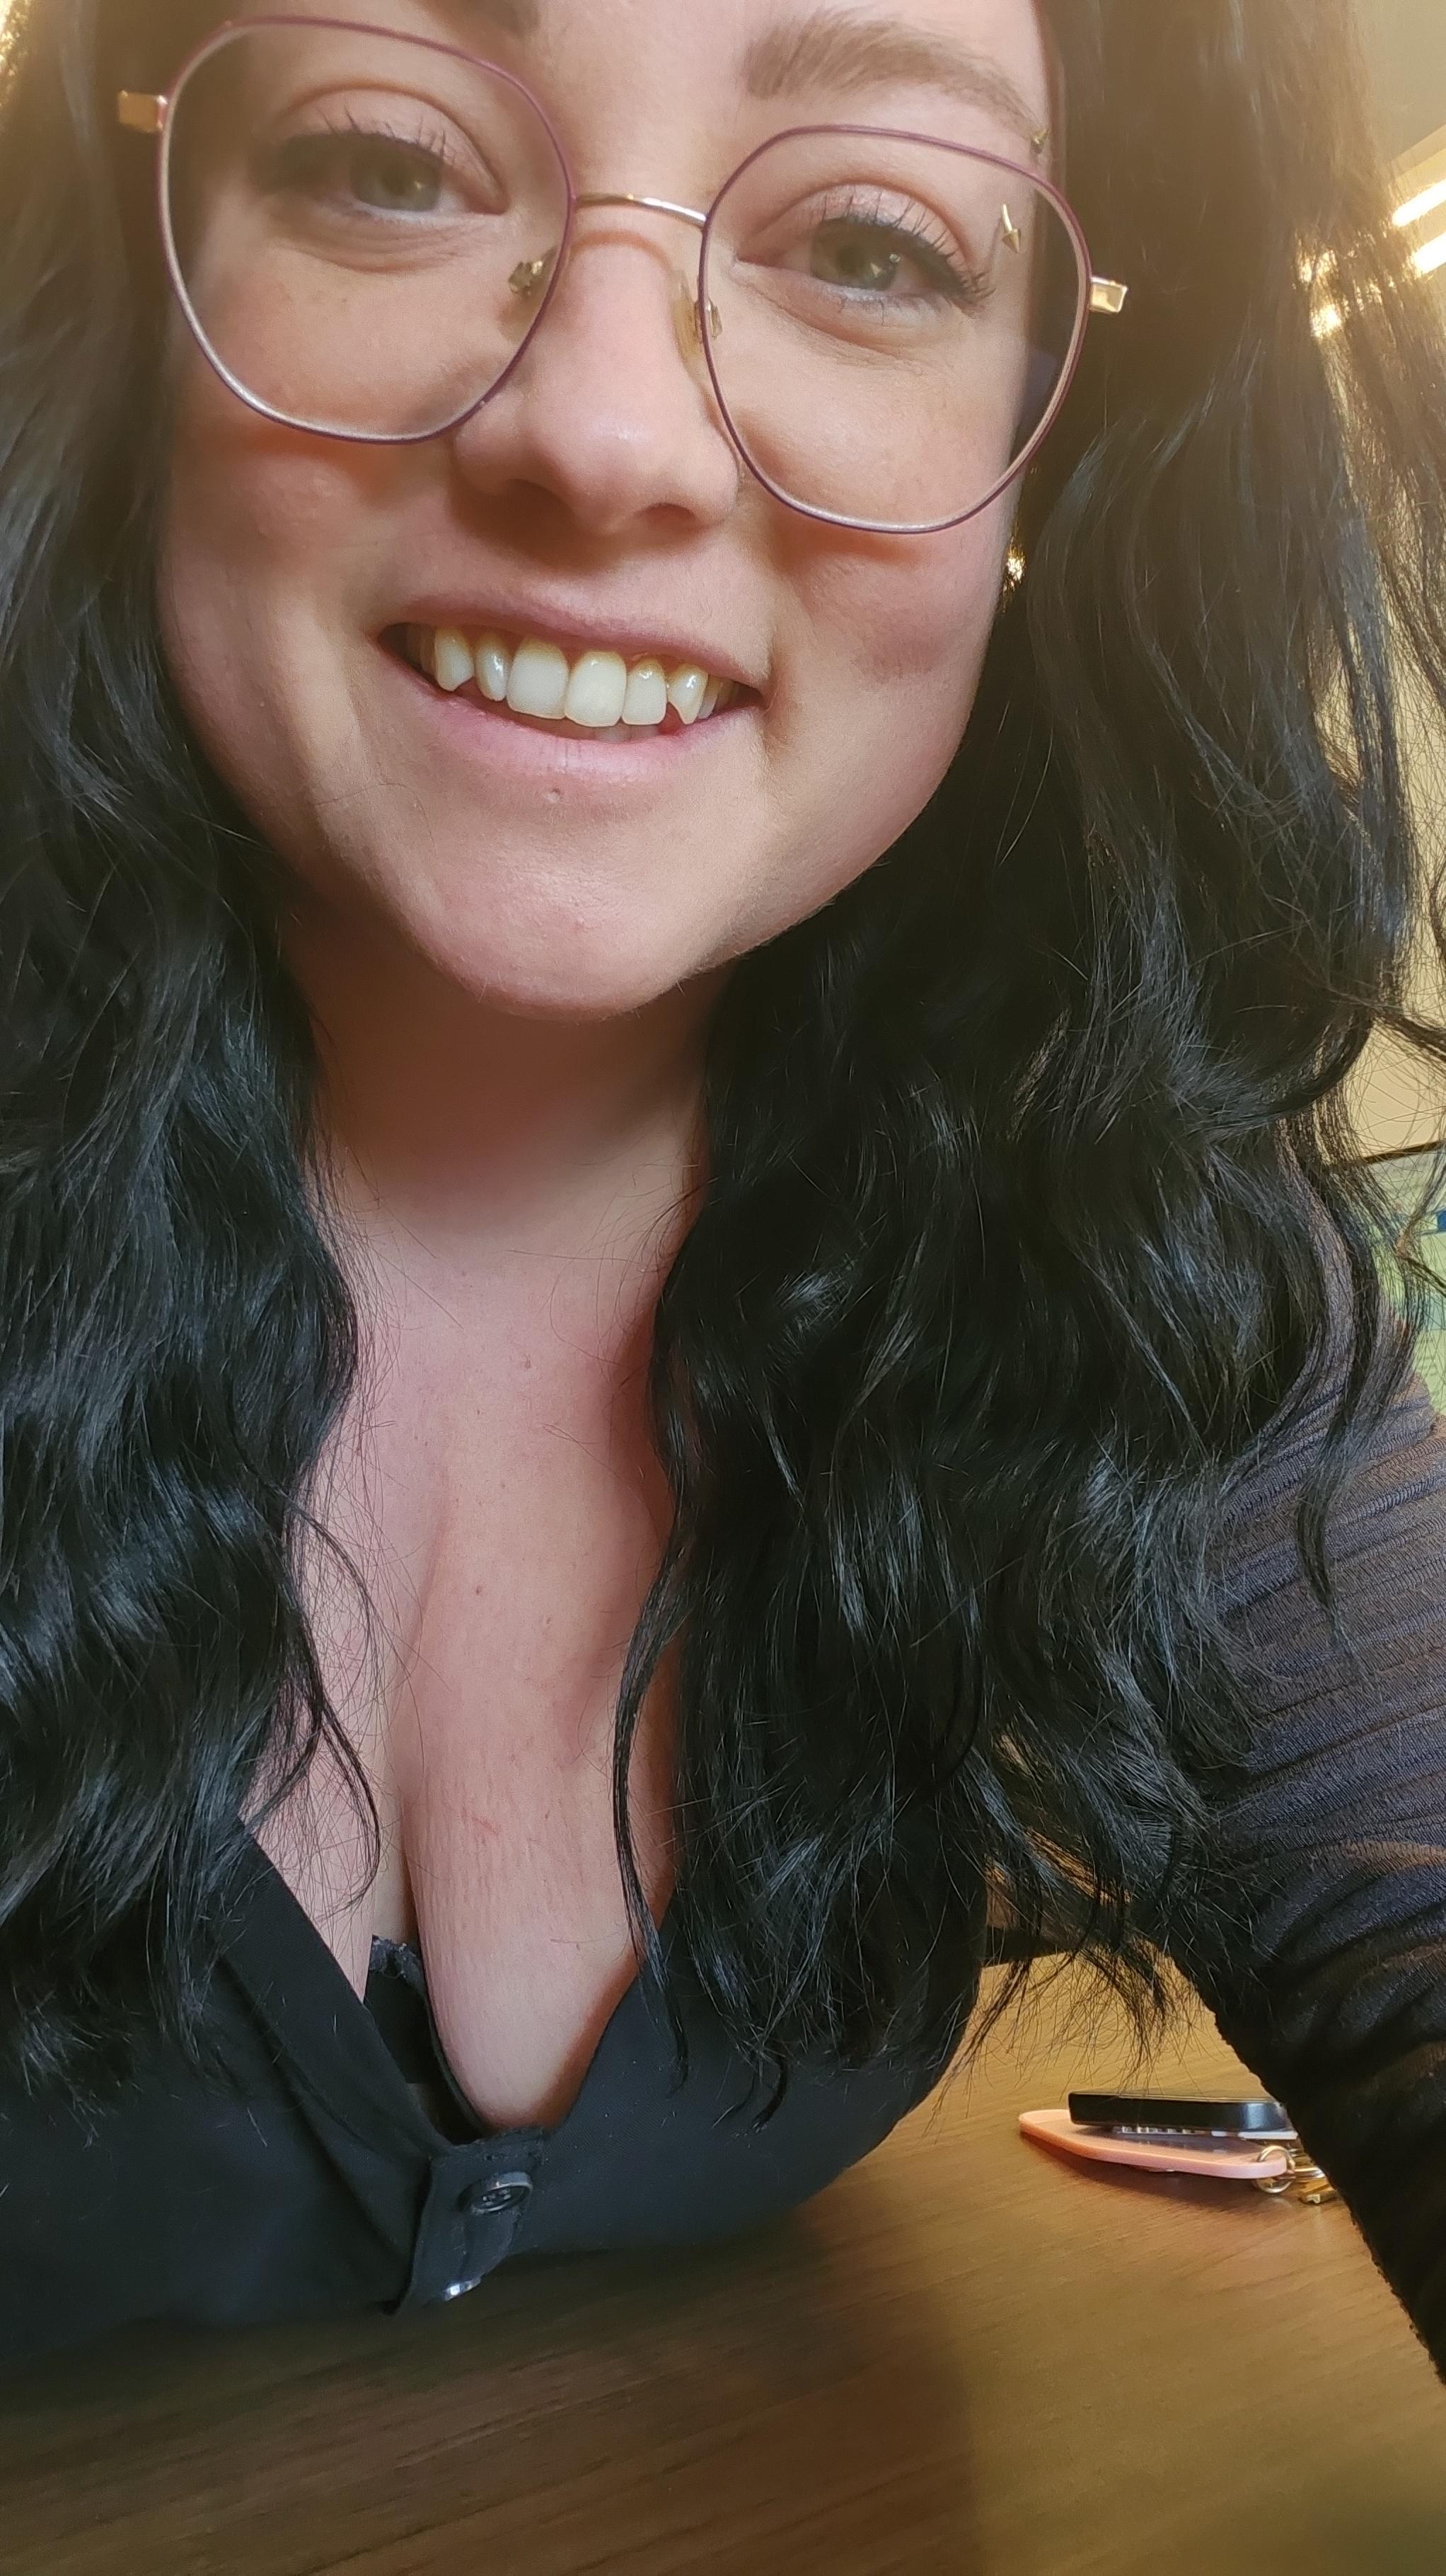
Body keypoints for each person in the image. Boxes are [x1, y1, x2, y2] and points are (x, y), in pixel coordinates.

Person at [1, 0, 1444, 2375]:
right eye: (386, 161)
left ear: (1053, 442)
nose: (600, 429)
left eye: (870, 243)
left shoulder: (1112, 1230)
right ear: (134, 279)